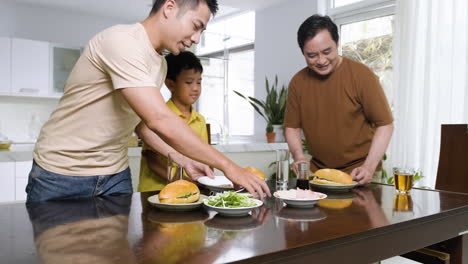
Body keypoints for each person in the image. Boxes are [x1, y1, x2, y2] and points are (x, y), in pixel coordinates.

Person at [26, 0, 270, 202]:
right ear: (170, 7)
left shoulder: (160, 63)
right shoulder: (122, 41)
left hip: (114, 173)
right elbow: (159, 119)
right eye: (196, 26)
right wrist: (230, 167)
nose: (196, 39)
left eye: (201, 32)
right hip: (61, 174)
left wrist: (181, 158)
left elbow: (140, 121)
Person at [284, 14, 394, 185]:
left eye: (327, 52)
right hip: (318, 174)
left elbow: (385, 125)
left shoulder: (362, 75)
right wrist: (299, 157)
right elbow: (292, 127)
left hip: (359, 173)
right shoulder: (298, 82)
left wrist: (369, 167)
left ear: (337, 44)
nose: (321, 60)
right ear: (303, 52)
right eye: (312, 55)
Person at [138, 51, 209, 192]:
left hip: (190, 193)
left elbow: (206, 158)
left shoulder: (200, 120)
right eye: (188, 82)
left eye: (199, 82)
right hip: (155, 192)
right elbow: (153, 161)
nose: (195, 88)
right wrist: (186, 183)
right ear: (170, 84)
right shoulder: (158, 116)